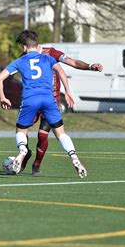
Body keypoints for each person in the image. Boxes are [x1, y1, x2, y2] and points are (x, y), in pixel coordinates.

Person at [0, 30, 87, 178]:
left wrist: (2, 97)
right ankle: (74, 158)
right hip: (48, 99)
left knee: (21, 131)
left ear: (24, 47)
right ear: (37, 45)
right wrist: (68, 91)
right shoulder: (47, 58)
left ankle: (23, 150)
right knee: (61, 133)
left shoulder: (20, 61)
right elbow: (61, 72)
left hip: (30, 99)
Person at [23, 46, 104, 175]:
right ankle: (25, 152)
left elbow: (73, 62)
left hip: (50, 100)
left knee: (42, 134)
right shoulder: (24, 56)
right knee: (22, 129)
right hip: (32, 99)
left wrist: (90, 66)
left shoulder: (51, 52)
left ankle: (37, 163)